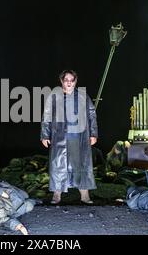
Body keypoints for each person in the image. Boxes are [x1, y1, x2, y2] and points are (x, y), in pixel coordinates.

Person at [40, 70, 98, 204]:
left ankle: (84, 195)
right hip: (60, 136)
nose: (69, 82)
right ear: (62, 81)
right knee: (59, 165)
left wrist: (93, 133)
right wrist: (44, 135)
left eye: (72, 80)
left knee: (81, 164)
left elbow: (91, 114)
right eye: (66, 80)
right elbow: (47, 115)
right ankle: (57, 195)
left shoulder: (83, 96)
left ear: (76, 81)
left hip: (80, 136)